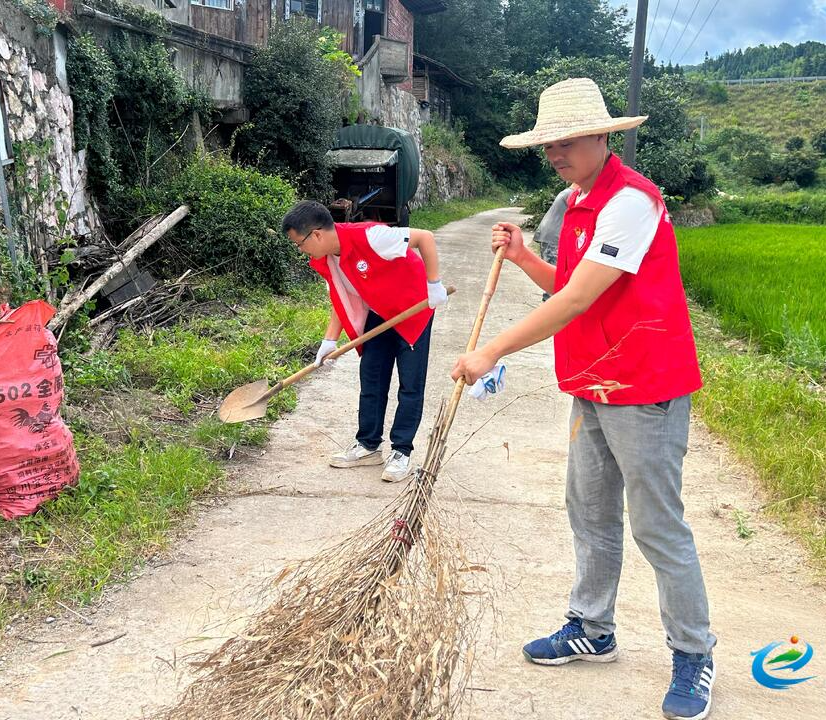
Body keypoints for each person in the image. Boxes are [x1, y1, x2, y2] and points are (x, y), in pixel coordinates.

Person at [450, 78, 717, 720]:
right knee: (590, 513)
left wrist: (492, 350)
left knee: (658, 526)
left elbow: (576, 301)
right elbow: (564, 284)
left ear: (603, 137)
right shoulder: (575, 201)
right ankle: (592, 629)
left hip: (644, 385)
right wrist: (519, 257)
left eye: (567, 143)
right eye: (550, 145)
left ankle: (693, 654)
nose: (557, 154)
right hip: (592, 380)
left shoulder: (632, 202)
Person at [282, 200, 448, 483]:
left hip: (413, 310)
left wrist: (433, 284)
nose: (301, 251)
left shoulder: (370, 236)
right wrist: (328, 341)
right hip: (380, 312)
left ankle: (402, 451)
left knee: (410, 384)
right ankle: (369, 445)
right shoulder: (329, 258)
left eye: (300, 244)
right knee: (371, 377)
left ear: (317, 235)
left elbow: (425, 238)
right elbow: (341, 298)